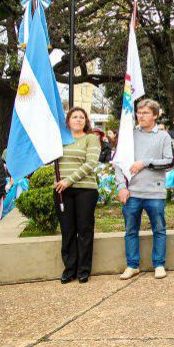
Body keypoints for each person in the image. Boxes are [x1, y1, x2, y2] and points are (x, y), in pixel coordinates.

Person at [114, 99, 174, 280]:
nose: (141, 116)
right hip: (132, 193)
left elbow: (169, 161)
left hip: (154, 193)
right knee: (131, 230)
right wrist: (121, 187)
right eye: (139, 112)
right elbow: (119, 163)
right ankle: (132, 265)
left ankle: (159, 264)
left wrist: (145, 163)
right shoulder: (129, 135)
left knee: (159, 229)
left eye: (146, 113)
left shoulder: (163, 136)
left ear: (155, 115)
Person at [56, 108, 101, 284]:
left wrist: (69, 180)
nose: (78, 120)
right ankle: (69, 269)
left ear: (86, 121)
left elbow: (91, 163)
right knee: (67, 231)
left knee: (84, 230)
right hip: (62, 191)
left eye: (82, 117)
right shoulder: (59, 140)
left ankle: (83, 270)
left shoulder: (91, 138)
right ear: (67, 121)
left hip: (86, 190)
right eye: (74, 117)